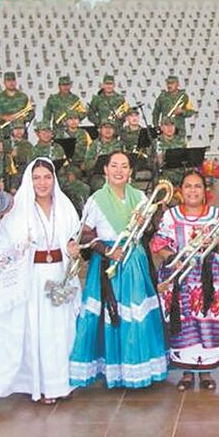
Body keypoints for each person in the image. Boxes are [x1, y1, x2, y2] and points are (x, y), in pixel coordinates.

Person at [0, 158, 80, 403]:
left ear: (54, 180)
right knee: (38, 331)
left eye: (47, 177)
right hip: (32, 277)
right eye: (36, 177)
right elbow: (4, 247)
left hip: (60, 277)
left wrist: (73, 250)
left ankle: (61, 383)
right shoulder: (19, 210)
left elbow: (72, 240)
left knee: (61, 330)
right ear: (28, 181)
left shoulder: (65, 207)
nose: (42, 183)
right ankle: (41, 387)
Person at [68, 151, 168, 389]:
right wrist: (105, 250)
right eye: (114, 166)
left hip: (134, 262)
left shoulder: (140, 196)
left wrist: (148, 221)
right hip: (107, 263)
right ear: (106, 170)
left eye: (124, 166)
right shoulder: (96, 200)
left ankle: (138, 370)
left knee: (136, 313)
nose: (119, 170)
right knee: (110, 315)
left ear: (130, 171)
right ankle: (114, 370)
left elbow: (151, 230)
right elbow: (86, 234)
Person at [151, 171, 219, 391]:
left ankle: (206, 371)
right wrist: (171, 258)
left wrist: (211, 244)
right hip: (181, 280)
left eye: (197, 186)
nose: (193, 191)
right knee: (183, 323)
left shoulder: (217, 215)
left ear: (205, 191)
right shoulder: (170, 216)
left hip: (210, 281)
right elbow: (158, 244)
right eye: (188, 186)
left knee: (207, 321)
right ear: (180, 191)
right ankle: (187, 372)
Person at [0, 71, 33, 140]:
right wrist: (4, 117)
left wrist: (22, 118)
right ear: (4, 83)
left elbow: (31, 113)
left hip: (20, 134)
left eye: (13, 80)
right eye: (8, 81)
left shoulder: (23, 97)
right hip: (4, 134)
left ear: (16, 82)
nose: (11, 83)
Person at [84, 119, 124, 192]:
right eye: (105, 127)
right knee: (102, 185)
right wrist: (95, 162)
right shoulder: (94, 145)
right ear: (100, 130)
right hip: (98, 176)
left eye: (111, 128)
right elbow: (86, 165)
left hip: (117, 174)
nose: (108, 130)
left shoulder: (119, 144)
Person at [152, 75, 197, 139]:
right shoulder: (162, 96)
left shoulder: (184, 96)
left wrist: (182, 112)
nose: (169, 86)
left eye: (172, 83)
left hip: (179, 131)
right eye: (168, 83)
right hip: (165, 131)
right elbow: (155, 112)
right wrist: (156, 127)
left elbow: (191, 112)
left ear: (177, 84)